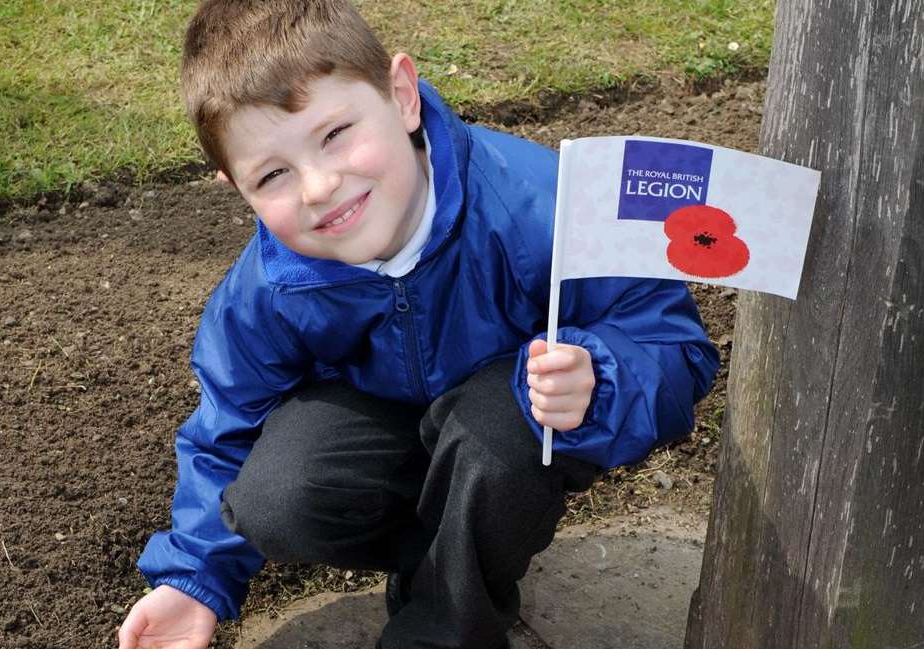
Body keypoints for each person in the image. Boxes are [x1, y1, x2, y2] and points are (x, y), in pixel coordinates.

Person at [117, 1, 720, 648]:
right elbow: (223, 432)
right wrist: (192, 577)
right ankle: (450, 556)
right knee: (274, 495)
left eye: (335, 133)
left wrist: (597, 377)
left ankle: (444, 623)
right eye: (272, 174)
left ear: (402, 96)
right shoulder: (266, 290)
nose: (319, 186)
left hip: (506, 433)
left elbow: (675, 347)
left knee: (496, 439)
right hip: (389, 437)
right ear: (236, 188)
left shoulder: (544, 206)